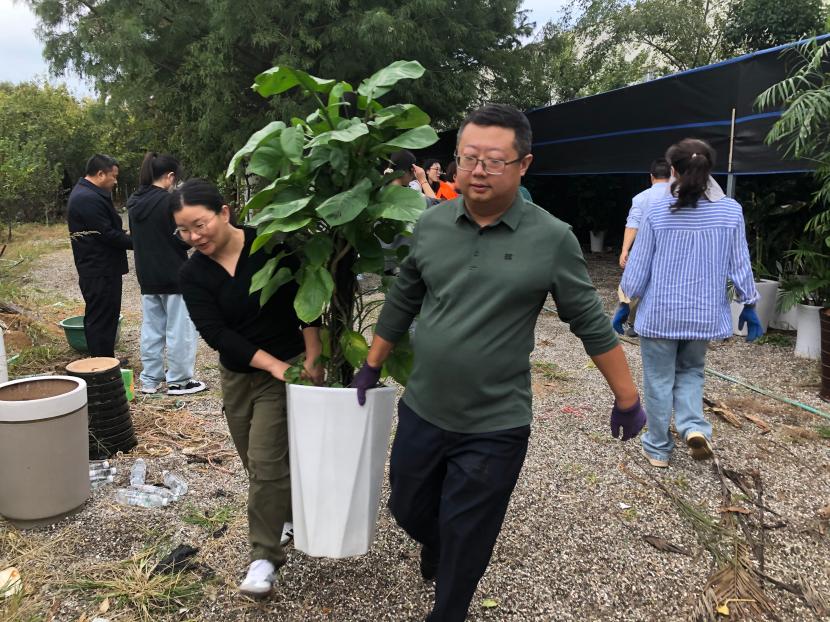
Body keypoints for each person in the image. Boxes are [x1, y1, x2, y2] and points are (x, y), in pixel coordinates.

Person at [351, 104, 646, 622]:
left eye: (493, 160)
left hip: (496, 421)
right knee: (407, 506)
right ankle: (436, 541)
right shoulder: (432, 223)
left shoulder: (551, 238)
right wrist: (372, 365)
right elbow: (402, 299)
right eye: (469, 158)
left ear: (523, 164)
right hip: (424, 407)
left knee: (470, 532)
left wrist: (627, 398)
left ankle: (449, 608)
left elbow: (590, 323)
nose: (478, 170)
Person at [174, 179, 323, 597]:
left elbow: (306, 300)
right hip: (240, 375)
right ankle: (287, 516)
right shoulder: (193, 273)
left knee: (265, 461)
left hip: (286, 368)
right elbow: (217, 334)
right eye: (183, 230)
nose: (194, 237)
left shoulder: (270, 245)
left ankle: (264, 558)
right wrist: (271, 365)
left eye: (200, 224)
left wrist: (312, 354)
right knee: (254, 461)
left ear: (224, 212)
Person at [619, 138, 762, 469]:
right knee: (691, 371)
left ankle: (658, 448)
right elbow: (740, 262)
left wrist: (625, 303)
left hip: (660, 315)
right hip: (703, 315)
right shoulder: (730, 210)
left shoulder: (657, 210)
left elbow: (639, 265)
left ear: (673, 170)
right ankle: (693, 427)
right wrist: (749, 303)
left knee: (658, 380)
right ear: (709, 169)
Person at [126, 152, 206, 395]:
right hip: (174, 274)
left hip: (147, 275)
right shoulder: (170, 202)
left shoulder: (134, 202)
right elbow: (181, 238)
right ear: (170, 176)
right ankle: (179, 381)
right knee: (180, 330)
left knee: (152, 329)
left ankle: (150, 380)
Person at [67, 154, 132, 358]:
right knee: (100, 319)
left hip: (104, 268)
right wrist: (139, 242)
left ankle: (106, 359)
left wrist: (125, 235)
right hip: (98, 269)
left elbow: (104, 230)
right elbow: (107, 234)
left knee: (107, 316)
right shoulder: (86, 198)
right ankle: (100, 364)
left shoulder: (89, 194)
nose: (115, 181)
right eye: (114, 176)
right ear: (101, 174)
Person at [613, 158, 671, 337]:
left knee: (638, 282)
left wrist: (625, 250)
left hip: (644, 249)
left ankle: (634, 322)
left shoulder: (641, 198)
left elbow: (633, 224)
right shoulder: (682, 198)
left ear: (651, 176)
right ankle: (662, 323)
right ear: (672, 175)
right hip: (672, 251)